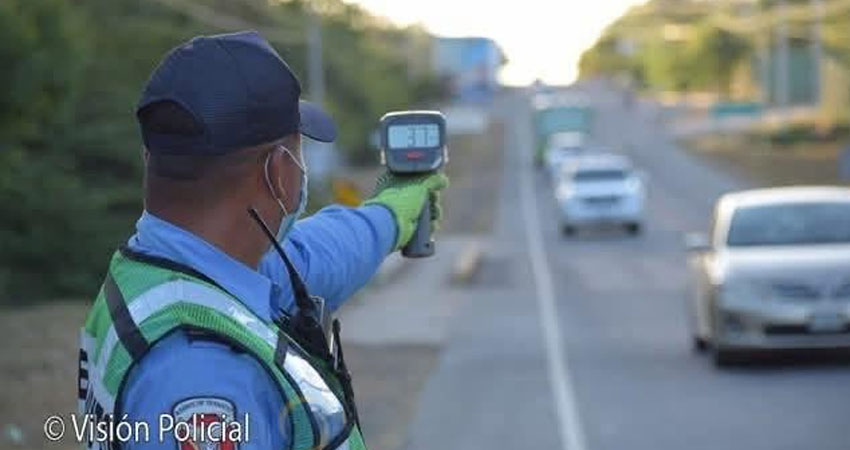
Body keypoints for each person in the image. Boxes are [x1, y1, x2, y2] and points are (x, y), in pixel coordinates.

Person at [76, 30, 448, 450]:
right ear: (278, 173)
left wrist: (390, 214)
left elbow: (314, 256)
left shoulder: (166, 272)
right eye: (300, 153)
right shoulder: (203, 375)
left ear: (151, 158)